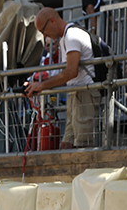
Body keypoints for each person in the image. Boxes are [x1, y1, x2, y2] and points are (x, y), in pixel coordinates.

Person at [24, 8, 99, 149]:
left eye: (43, 30)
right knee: (66, 145)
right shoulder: (66, 37)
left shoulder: (72, 35)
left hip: (85, 94)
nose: (44, 34)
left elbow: (71, 71)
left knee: (83, 146)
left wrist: (42, 85)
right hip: (76, 94)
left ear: (52, 21)